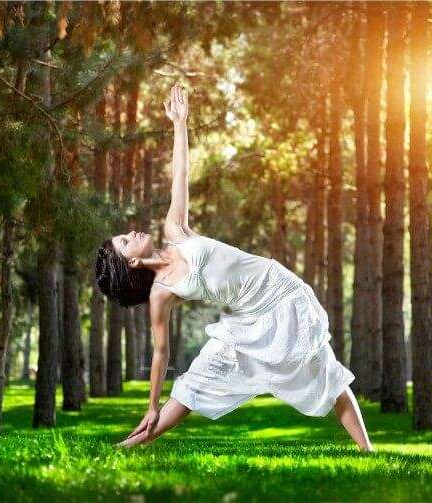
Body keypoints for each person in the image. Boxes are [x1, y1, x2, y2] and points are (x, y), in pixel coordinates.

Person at [95, 84, 373, 452]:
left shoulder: (175, 232)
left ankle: (369, 453)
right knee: (193, 384)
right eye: (125, 240)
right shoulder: (161, 294)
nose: (132, 231)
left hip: (281, 292)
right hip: (248, 320)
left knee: (329, 374)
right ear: (130, 261)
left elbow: (181, 174)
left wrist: (180, 123)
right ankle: (126, 448)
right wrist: (150, 405)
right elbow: (160, 353)